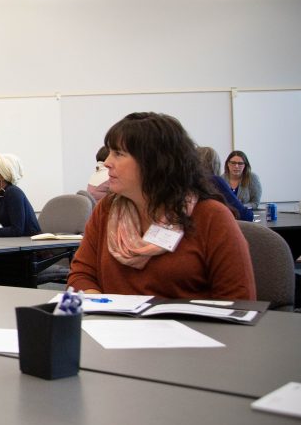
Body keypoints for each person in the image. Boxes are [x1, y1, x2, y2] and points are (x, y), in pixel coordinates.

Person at [68, 112, 256, 299]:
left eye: (118, 153)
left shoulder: (211, 216)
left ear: (154, 163)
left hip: (192, 327)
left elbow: (238, 300)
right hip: (115, 326)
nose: (107, 162)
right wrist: (101, 305)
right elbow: (82, 275)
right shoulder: (107, 209)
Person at [196, 146, 253, 221]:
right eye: (233, 163)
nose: (236, 166)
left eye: (240, 163)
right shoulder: (215, 181)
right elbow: (245, 216)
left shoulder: (186, 182)